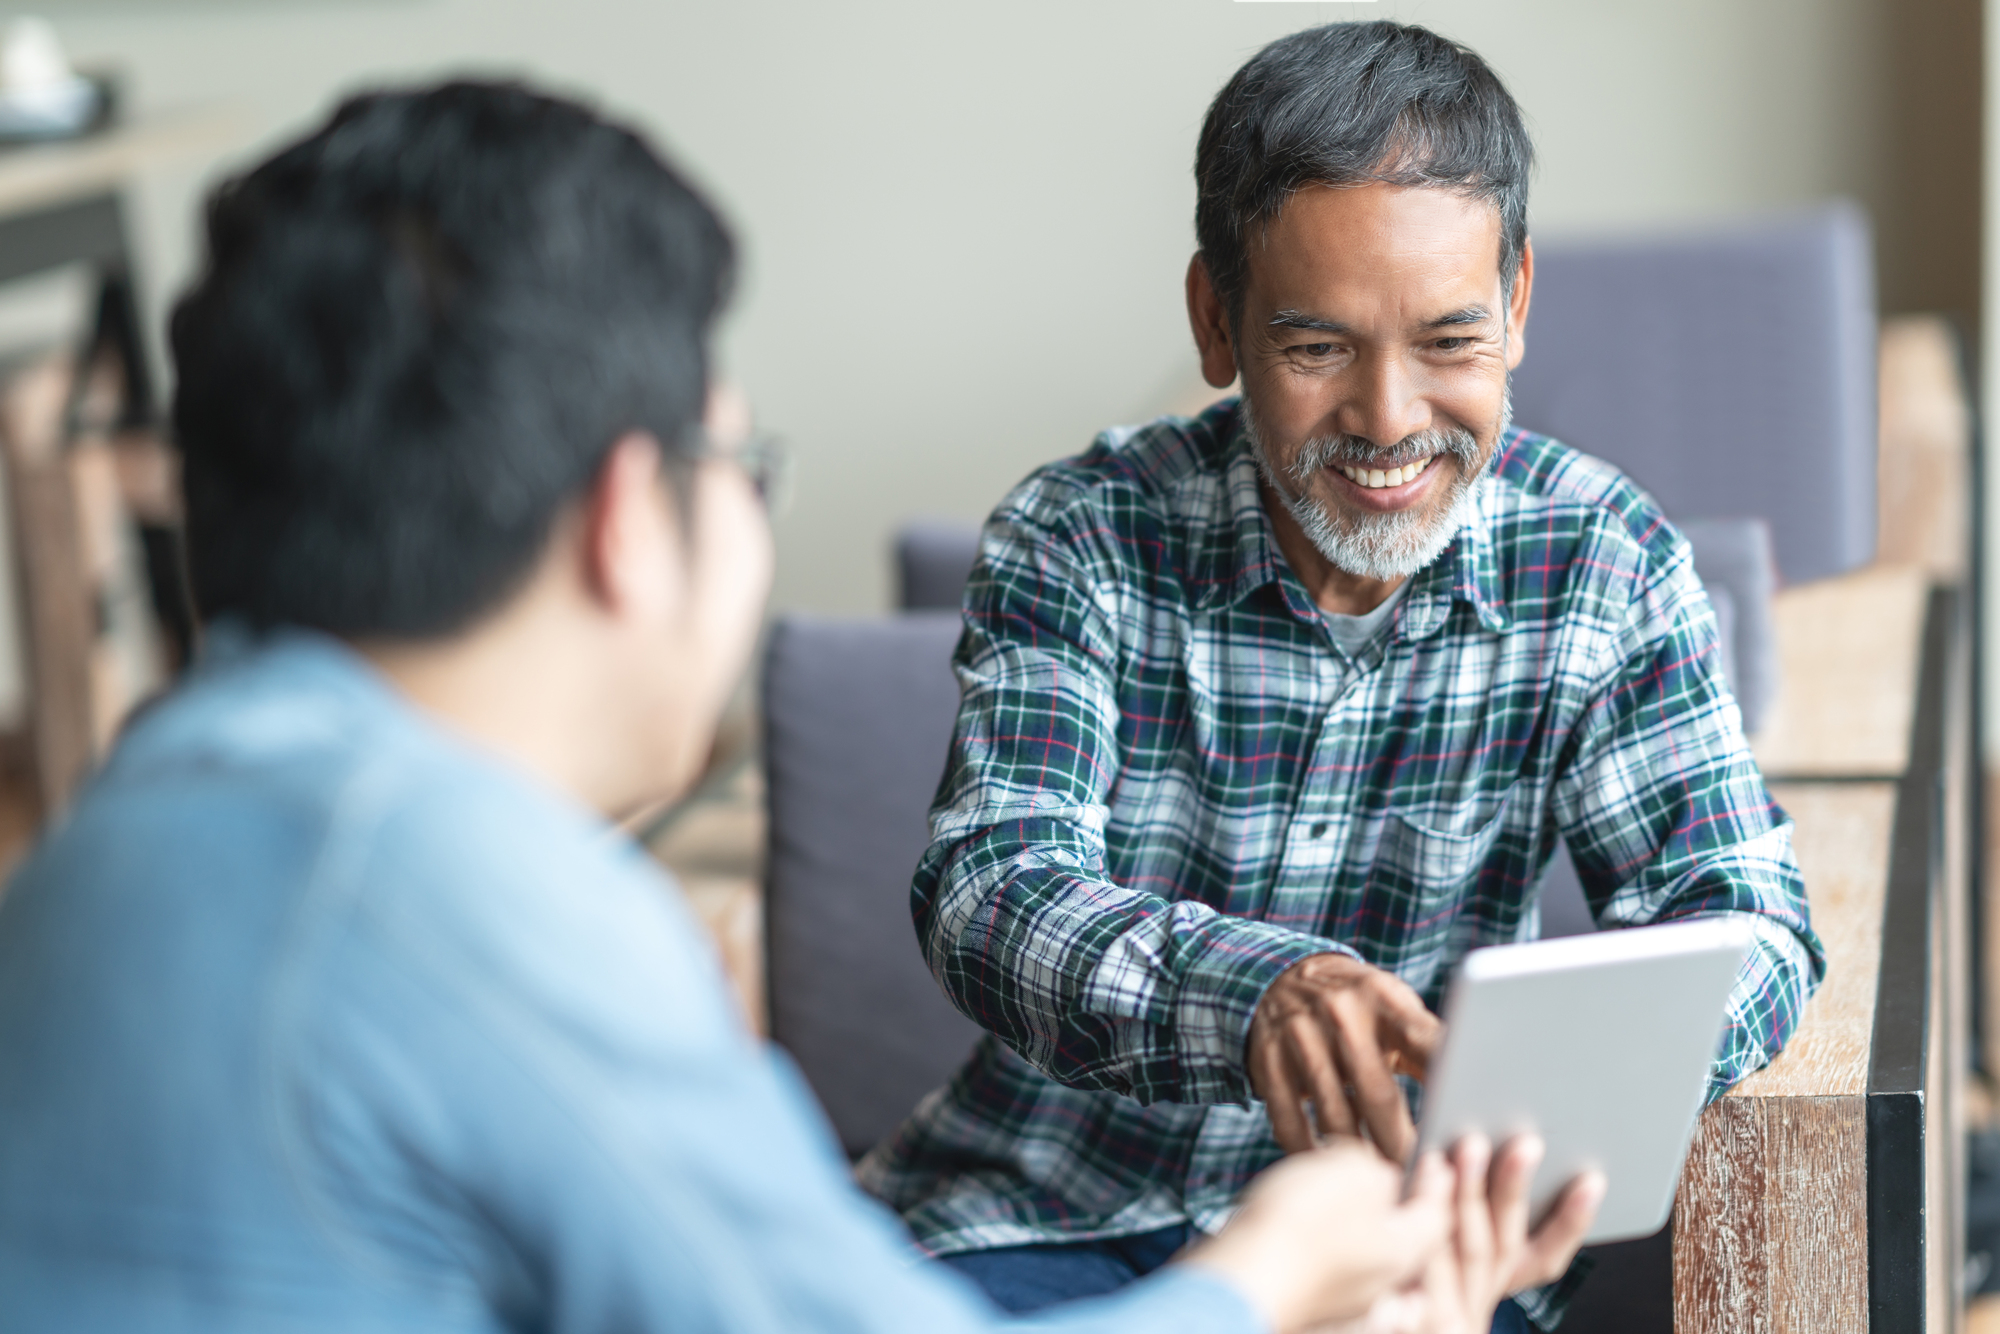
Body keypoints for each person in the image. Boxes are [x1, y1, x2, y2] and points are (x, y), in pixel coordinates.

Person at [0, 82, 1597, 1333]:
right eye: (737, 462)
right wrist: (1265, 1277)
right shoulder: (484, 906)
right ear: (636, 513)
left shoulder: (125, 827)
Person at [856, 20, 1823, 1333]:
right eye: (1318, 348)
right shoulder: (1080, 534)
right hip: (1048, 1218)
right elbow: (990, 888)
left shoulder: (1603, 562)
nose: (1387, 417)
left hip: (1412, 1247)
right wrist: (1246, 986)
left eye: (1447, 341)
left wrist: (1552, 1102)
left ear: (1518, 304)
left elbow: (1750, 916)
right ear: (1217, 318)